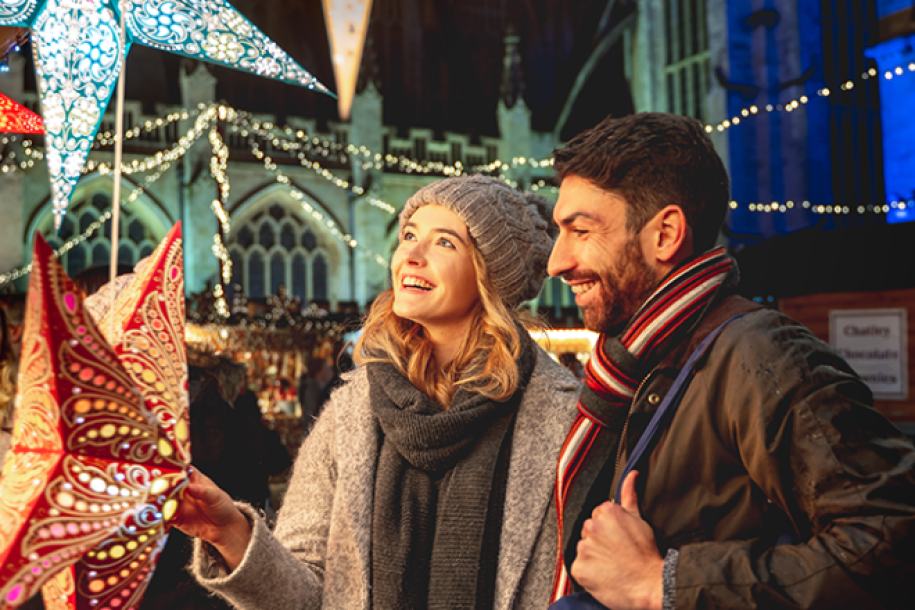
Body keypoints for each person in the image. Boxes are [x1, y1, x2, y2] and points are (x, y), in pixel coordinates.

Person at [547, 112, 915, 610]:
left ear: (665, 234)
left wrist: (662, 584)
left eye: (581, 230)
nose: (557, 262)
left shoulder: (763, 354)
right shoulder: (632, 368)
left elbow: (891, 538)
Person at [175, 175, 581, 610]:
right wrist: (231, 533)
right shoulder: (352, 411)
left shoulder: (563, 416)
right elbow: (308, 594)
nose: (411, 254)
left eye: (444, 243)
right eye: (409, 235)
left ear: (491, 276)